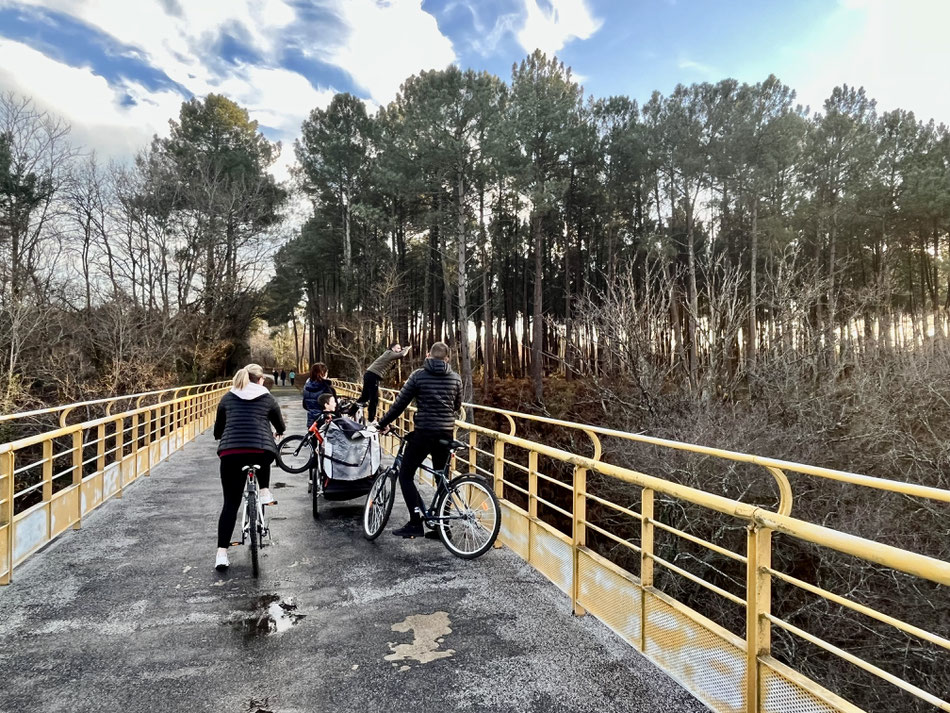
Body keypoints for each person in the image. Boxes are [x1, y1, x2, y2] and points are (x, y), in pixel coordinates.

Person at [375, 341, 462, 538]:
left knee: (406, 475)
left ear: (428, 355)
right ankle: (443, 528)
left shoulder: (418, 376)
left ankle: (415, 522)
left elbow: (400, 405)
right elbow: (457, 406)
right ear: (447, 358)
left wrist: (382, 423)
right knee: (442, 478)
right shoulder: (455, 378)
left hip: (424, 433)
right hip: (446, 434)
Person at [212, 363, 285, 571]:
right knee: (264, 453)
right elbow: (280, 425)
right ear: (261, 379)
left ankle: (221, 554)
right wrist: (278, 431)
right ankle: (263, 491)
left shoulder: (227, 397)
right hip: (260, 451)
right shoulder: (267, 397)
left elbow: (218, 429)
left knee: (230, 504)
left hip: (231, 453)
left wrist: (222, 436)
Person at [359, 343, 411, 422]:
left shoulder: (389, 355)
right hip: (373, 375)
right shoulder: (390, 353)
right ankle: (371, 419)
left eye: (400, 348)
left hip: (370, 374)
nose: (399, 350)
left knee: (365, 397)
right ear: (393, 348)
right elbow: (402, 354)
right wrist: (406, 348)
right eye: (398, 348)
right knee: (374, 398)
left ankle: (350, 412)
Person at [302, 363, 337, 427]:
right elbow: (334, 407)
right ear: (323, 373)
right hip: (326, 422)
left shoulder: (306, 387)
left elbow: (305, 405)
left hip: (312, 422)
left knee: (313, 437)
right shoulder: (327, 388)